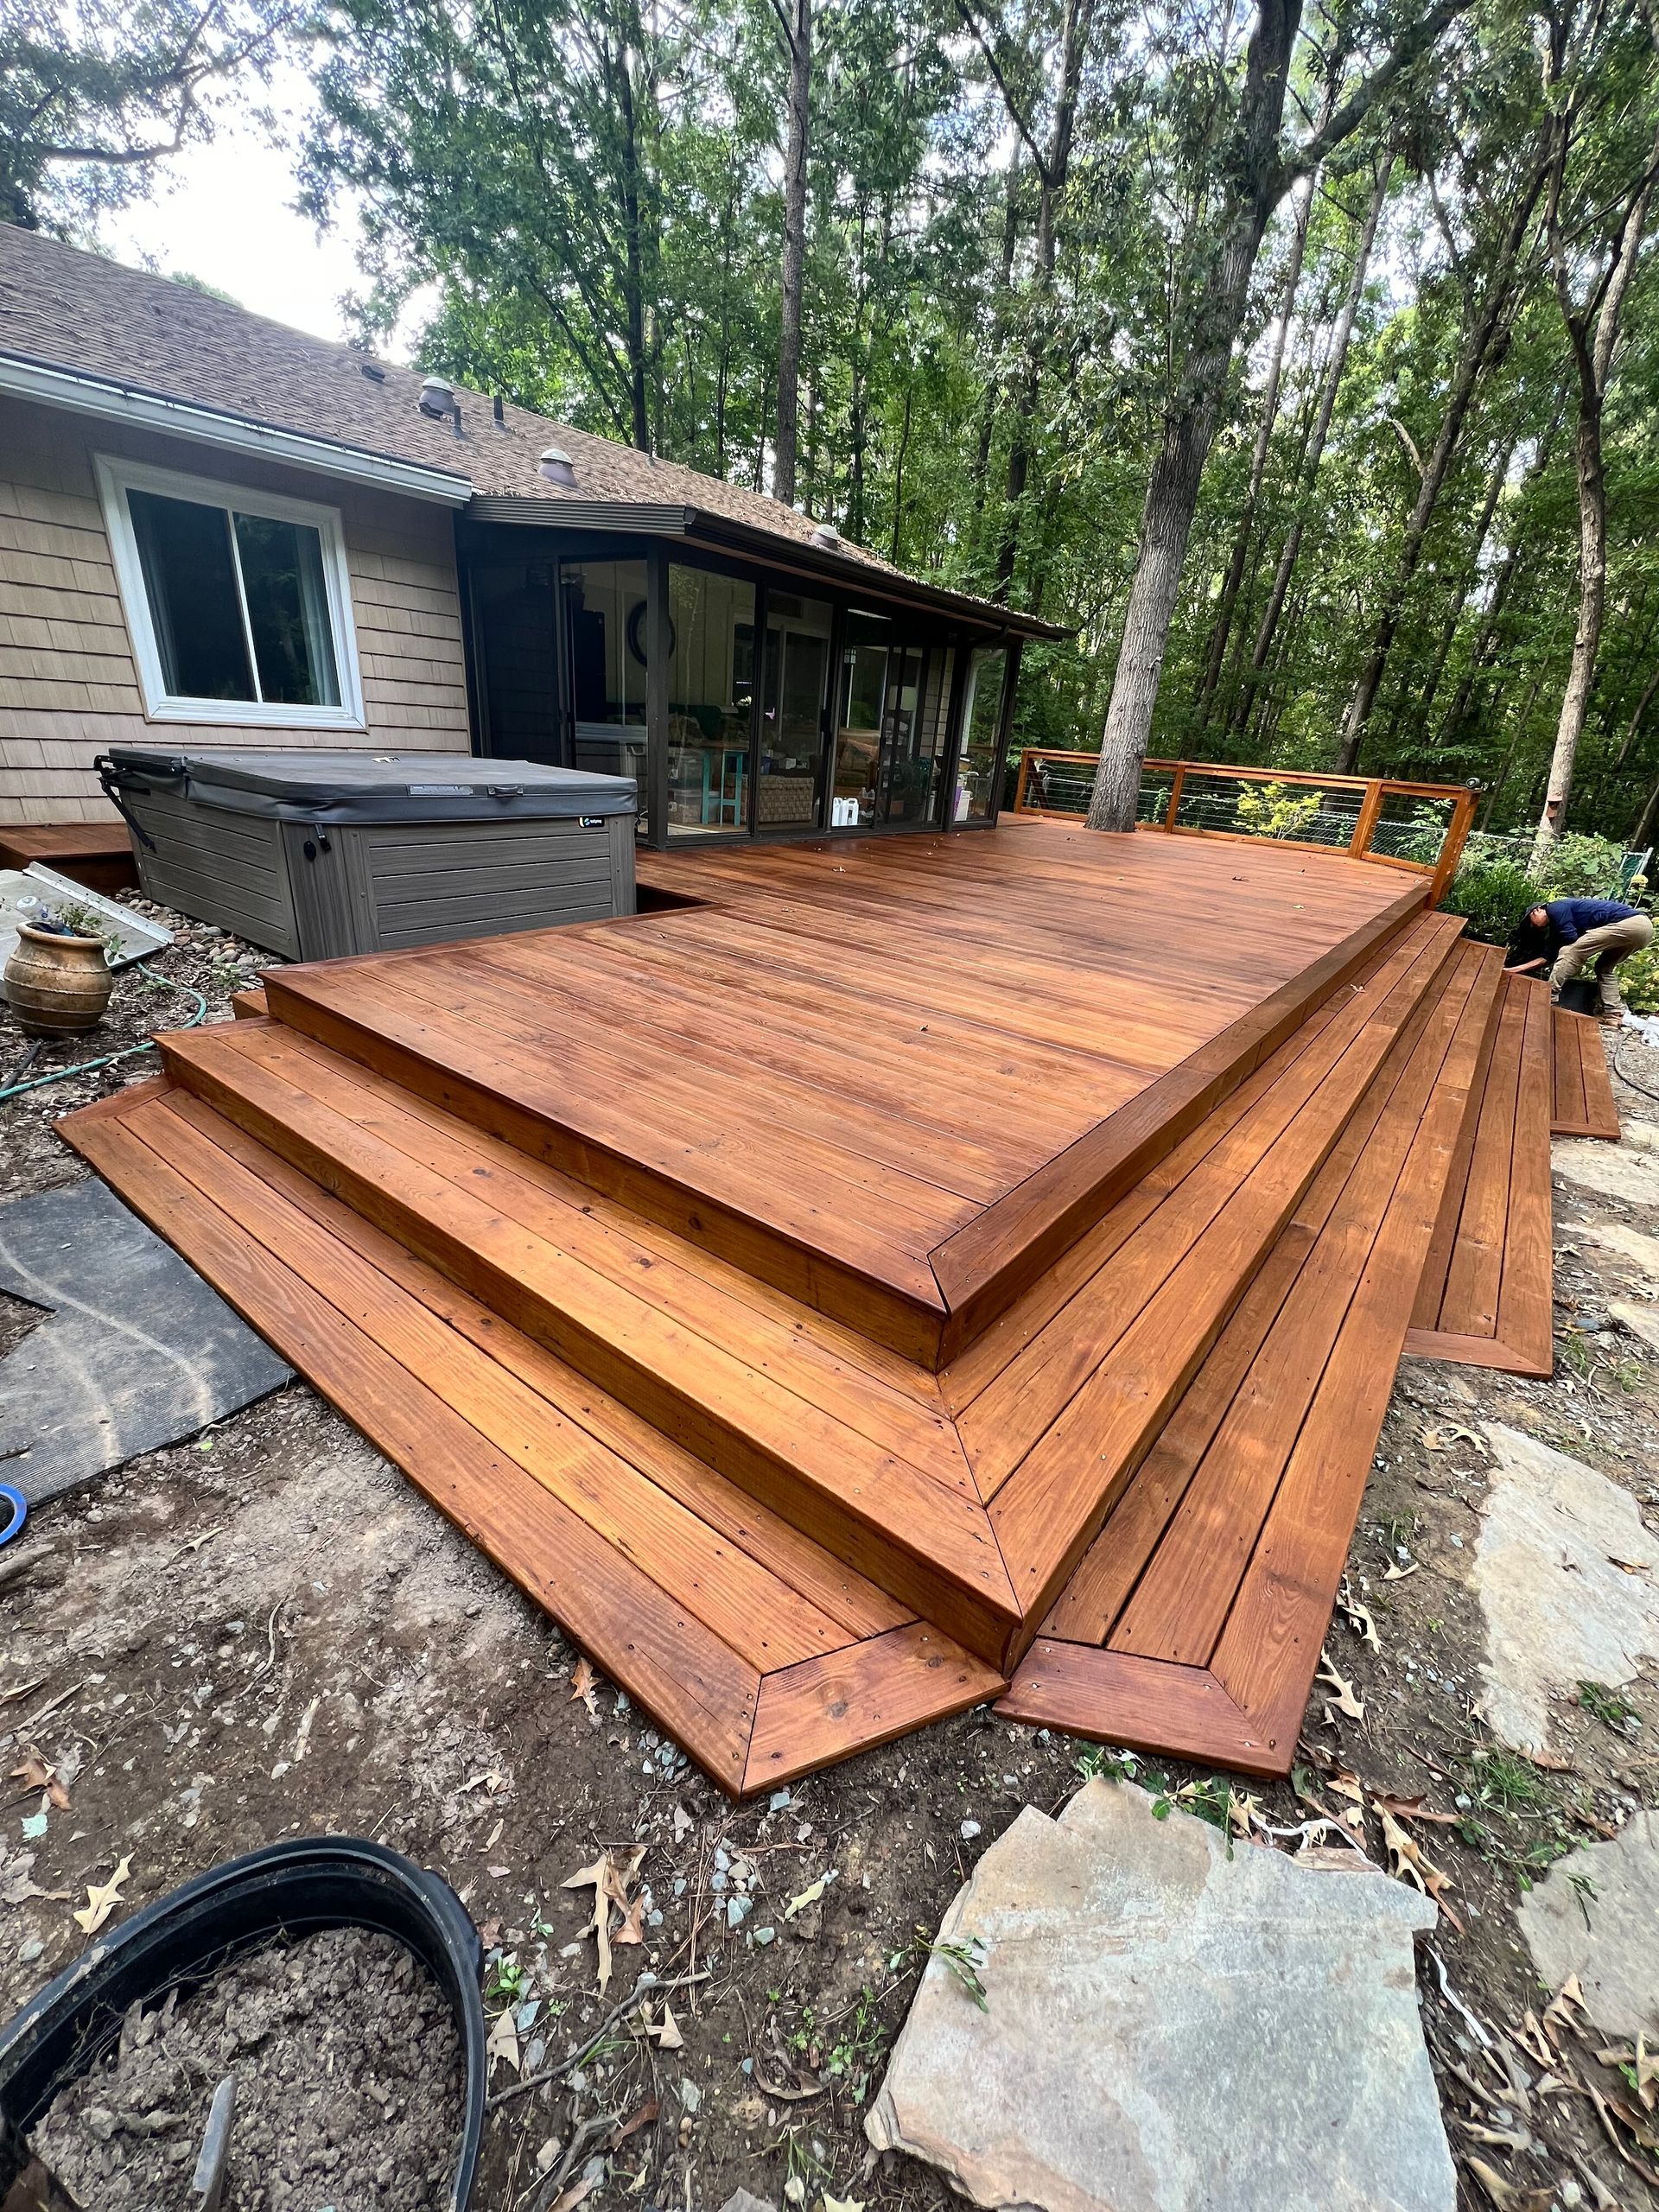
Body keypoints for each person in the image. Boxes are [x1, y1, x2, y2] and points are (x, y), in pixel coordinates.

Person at [1511, 896, 1653, 1017]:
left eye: (1530, 920)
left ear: (1537, 910)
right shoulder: (1560, 923)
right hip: (1645, 929)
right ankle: (1613, 1014)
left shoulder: (1555, 908)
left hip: (1630, 923)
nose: (1532, 926)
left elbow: (1571, 939)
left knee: (1570, 950)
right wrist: (1515, 970)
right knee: (1604, 968)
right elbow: (1547, 957)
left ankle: (1548, 997)